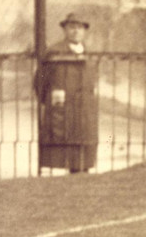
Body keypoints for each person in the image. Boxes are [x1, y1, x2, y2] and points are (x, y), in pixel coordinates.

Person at [34, 12, 99, 174]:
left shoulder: (88, 53)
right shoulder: (54, 52)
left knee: (84, 141)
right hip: (63, 106)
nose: (75, 31)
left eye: (79, 28)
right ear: (65, 30)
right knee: (63, 139)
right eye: (71, 27)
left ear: (84, 31)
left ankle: (83, 170)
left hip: (84, 107)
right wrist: (50, 100)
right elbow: (40, 81)